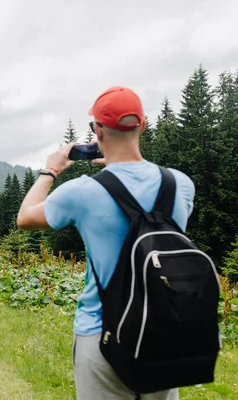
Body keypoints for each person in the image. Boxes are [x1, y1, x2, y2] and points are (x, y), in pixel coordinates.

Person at [16, 87, 195, 400]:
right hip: (165, 333)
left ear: (97, 130)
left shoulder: (84, 192)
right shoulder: (181, 184)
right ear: (143, 124)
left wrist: (50, 170)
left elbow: (26, 217)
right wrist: (121, 169)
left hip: (102, 334)